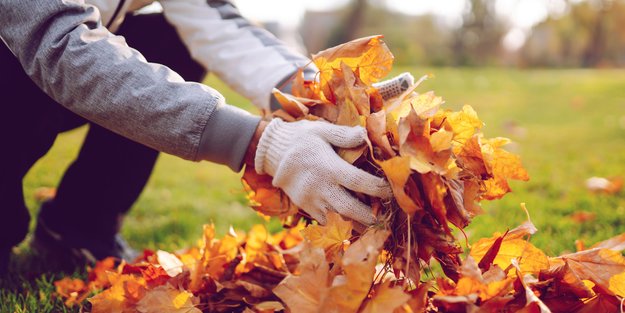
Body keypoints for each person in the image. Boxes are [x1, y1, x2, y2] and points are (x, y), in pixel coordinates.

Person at [0, 0, 398, 272]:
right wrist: (262, 142)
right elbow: (59, 44)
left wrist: (324, 93)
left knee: (166, 36)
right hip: (23, 66)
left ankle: (79, 226)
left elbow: (216, 23)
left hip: (54, 72)